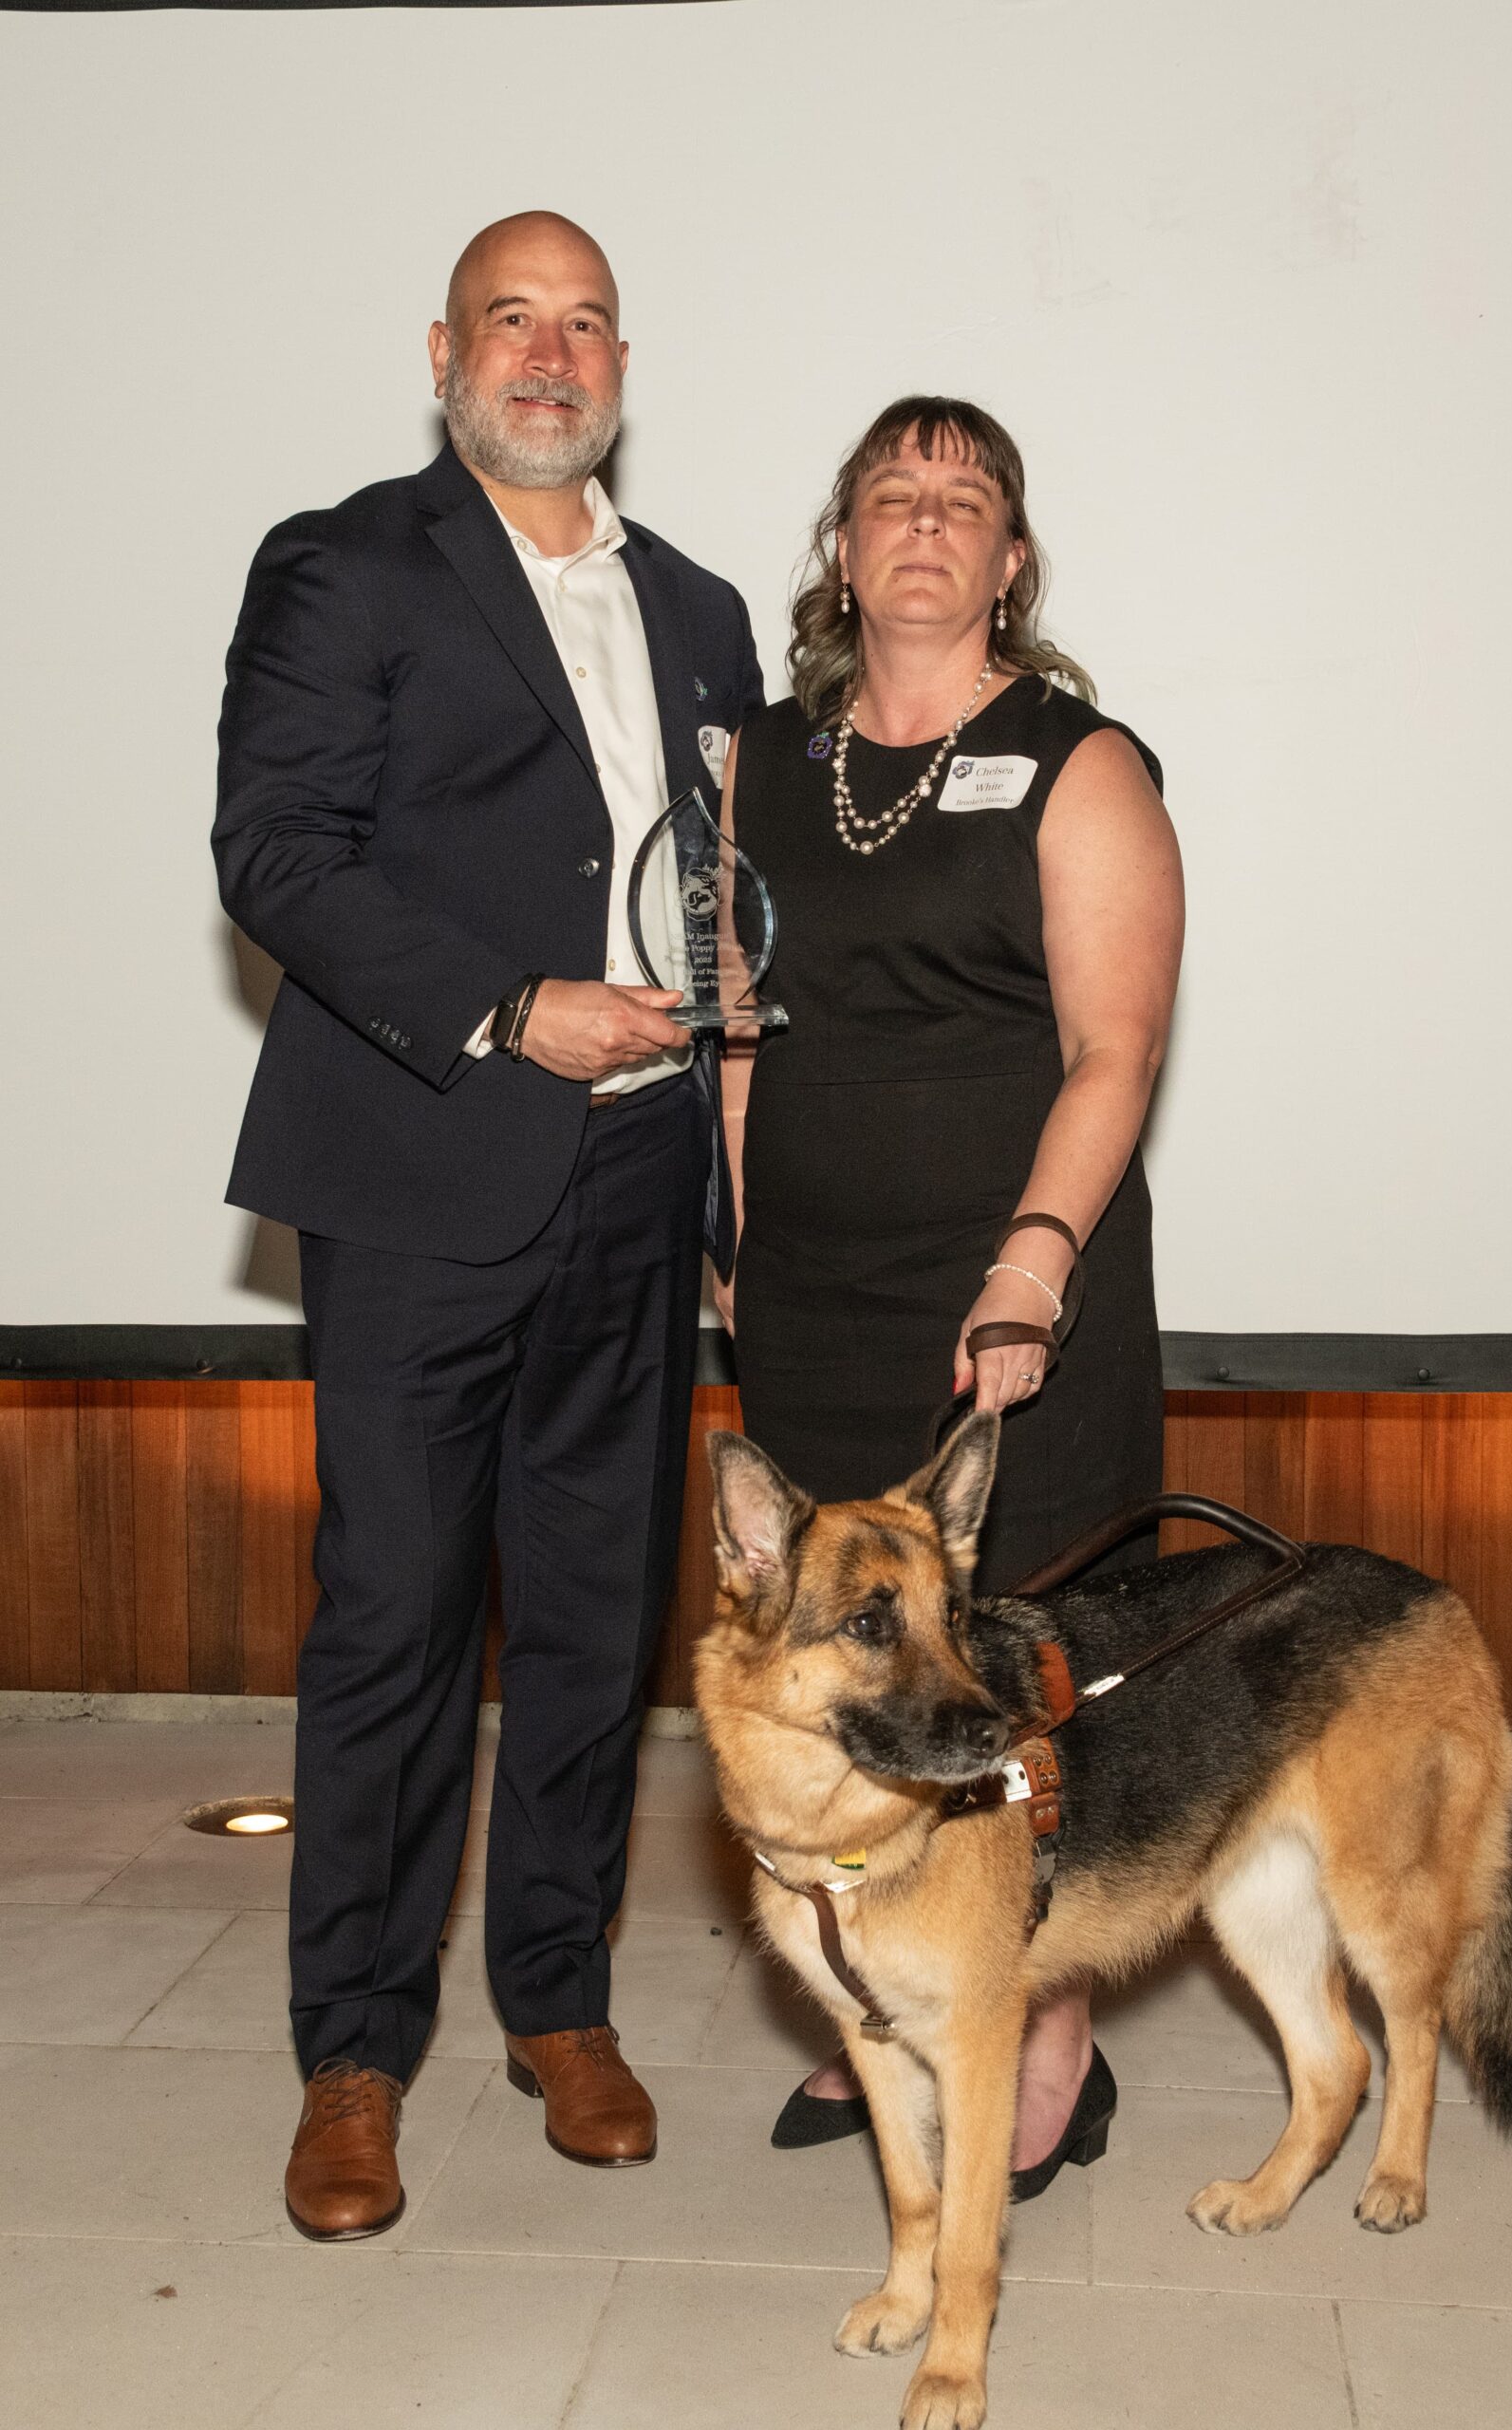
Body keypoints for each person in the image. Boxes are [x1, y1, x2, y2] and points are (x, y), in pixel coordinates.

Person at [214, 212, 763, 2238]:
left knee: (600, 1616)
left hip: (630, 1185)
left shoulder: (699, 608)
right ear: (440, 347)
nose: (549, 354)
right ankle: (351, 2053)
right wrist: (500, 1001)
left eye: (585, 320)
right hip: (426, 1166)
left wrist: (724, 1144)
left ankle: (557, 1997)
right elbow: (273, 847)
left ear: (626, 356)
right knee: (393, 1622)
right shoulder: (347, 562)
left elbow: (717, 893)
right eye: (511, 319)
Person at [718, 397, 1182, 2198]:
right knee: (849, 1669)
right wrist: (742, 1254)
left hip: (1014, 1300)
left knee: (1034, 1676)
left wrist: (1032, 1263)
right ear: (843, 547)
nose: (925, 520)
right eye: (892, 495)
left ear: (1009, 559)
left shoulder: (1082, 765)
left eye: (963, 498)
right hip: (817, 1297)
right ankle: (888, 1998)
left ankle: (1046, 2022)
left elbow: (1116, 1047)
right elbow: (742, 1035)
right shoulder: (758, 761)